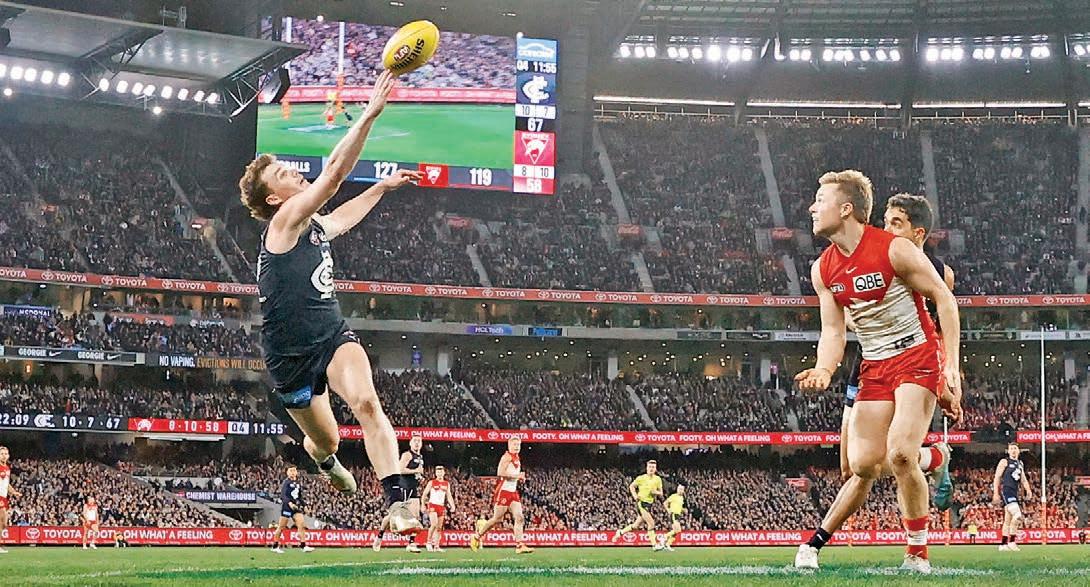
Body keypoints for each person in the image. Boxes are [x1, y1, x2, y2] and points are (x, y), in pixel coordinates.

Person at [239, 68, 423, 528]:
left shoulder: (313, 224)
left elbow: (341, 217)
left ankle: (398, 503)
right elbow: (335, 174)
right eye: (283, 173)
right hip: (289, 356)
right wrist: (369, 115)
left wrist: (380, 187)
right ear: (275, 199)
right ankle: (323, 460)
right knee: (328, 441)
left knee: (367, 402)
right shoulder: (283, 224)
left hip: (331, 335)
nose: (295, 172)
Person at [794, 171, 962, 574]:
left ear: (845, 209)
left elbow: (944, 299)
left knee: (900, 454)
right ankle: (934, 456)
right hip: (874, 365)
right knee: (863, 465)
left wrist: (951, 366)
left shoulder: (894, 249)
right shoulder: (822, 270)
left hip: (916, 356)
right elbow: (833, 330)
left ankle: (917, 554)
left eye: (821, 200)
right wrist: (824, 368)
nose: (813, 207)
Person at [470, 437, 534, 554]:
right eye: (514, 445)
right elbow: (500, 473)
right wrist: (517, 476)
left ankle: (519, 545)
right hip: (503, 491)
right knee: (497, 519)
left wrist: (520, 478)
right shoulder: (506, 457)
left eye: (518, 445)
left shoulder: (517, 457)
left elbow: (513, 473)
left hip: (513, 492)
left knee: (519, 517)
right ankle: (477, 536)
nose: (517, 447)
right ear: (509, 445)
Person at [372, 435, 427, 553]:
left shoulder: (420, 457)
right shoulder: (407, 455)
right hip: (404, 487)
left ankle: (411, 543)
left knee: (416, 516)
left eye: (419, 441)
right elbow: (400, 469)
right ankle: (380, 536)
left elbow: (415, 473)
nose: (417, 443)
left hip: (413, 488)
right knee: (393, 515)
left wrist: (419, 477)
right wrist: (416, 471)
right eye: (415, 441)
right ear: (410, 443)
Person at [612, 460, 665, 551]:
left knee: (636, 526)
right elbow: (632, 486)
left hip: (649, 504)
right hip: (641, 503)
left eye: (653, 467)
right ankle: (654, 545)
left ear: (655, 469)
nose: (651, 469)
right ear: (646, 468)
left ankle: (620, 532)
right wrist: (635, 496)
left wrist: (655, 492)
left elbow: (661, 493)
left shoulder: (658, 479)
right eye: (650, 467)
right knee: (651, 523)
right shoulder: (641, 478)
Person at [994, 443, 1033, 552]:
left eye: (1015, 448)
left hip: (1015, 493)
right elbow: (997, 477)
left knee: (1008, 520)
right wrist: (996, 493)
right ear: (1008, 451)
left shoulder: (1020, 463)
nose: (1013, 450)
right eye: (1011, 449)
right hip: (1007, 491)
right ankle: (1011, 542)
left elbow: (1023, 479)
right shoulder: (1004, 462)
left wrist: (1028, 490)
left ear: (1018, 450)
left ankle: (1003, 544)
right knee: (1018, 516)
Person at [271, 465, 314, 553]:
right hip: (287, 507)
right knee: (281, 527)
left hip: (296, 507)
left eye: (294, 470)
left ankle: (303, 545)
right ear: (287, 473)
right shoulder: (286, 483)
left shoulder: (298, 483)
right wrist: (289, 503)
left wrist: (305, 506)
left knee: (301, 524)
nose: (293, 472)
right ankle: (275, 546)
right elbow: (283, 495)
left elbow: (299, 497)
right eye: (291, 471)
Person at [421, 465, 457, 552]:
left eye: (441, 472)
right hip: (433, 505)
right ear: (436, 473)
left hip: (441, 506)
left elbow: (449, 495)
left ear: (444, 473)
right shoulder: (431, 482)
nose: (439, 474)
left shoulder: (446, 484)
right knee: (434, 524)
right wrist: (423, 504)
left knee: (439, 527)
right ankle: (428, 542)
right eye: (438, 472)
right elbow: (424, 494)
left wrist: (452, 505)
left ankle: (436, 546)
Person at [0, 446, 21, 554]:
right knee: (2, 520)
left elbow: (6, 484)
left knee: (4, 524)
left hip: (4, 497)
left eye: (5, 454)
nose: (4, 456)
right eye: (2, 454)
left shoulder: (7, 468)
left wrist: (14, 492)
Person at [660, 484, 686, 551]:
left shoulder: (682, 498)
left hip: (678, 515)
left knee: (677, 531)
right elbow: (665, 503)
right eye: (679, 489)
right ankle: (664, 537)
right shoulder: (673, 496)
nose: (680, 491)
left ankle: (668, 544)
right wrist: (668, 510)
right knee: (677, 530)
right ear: (677, 489)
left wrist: (683, 510)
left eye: (682, 489)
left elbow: (679, 506)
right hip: (673, 514)